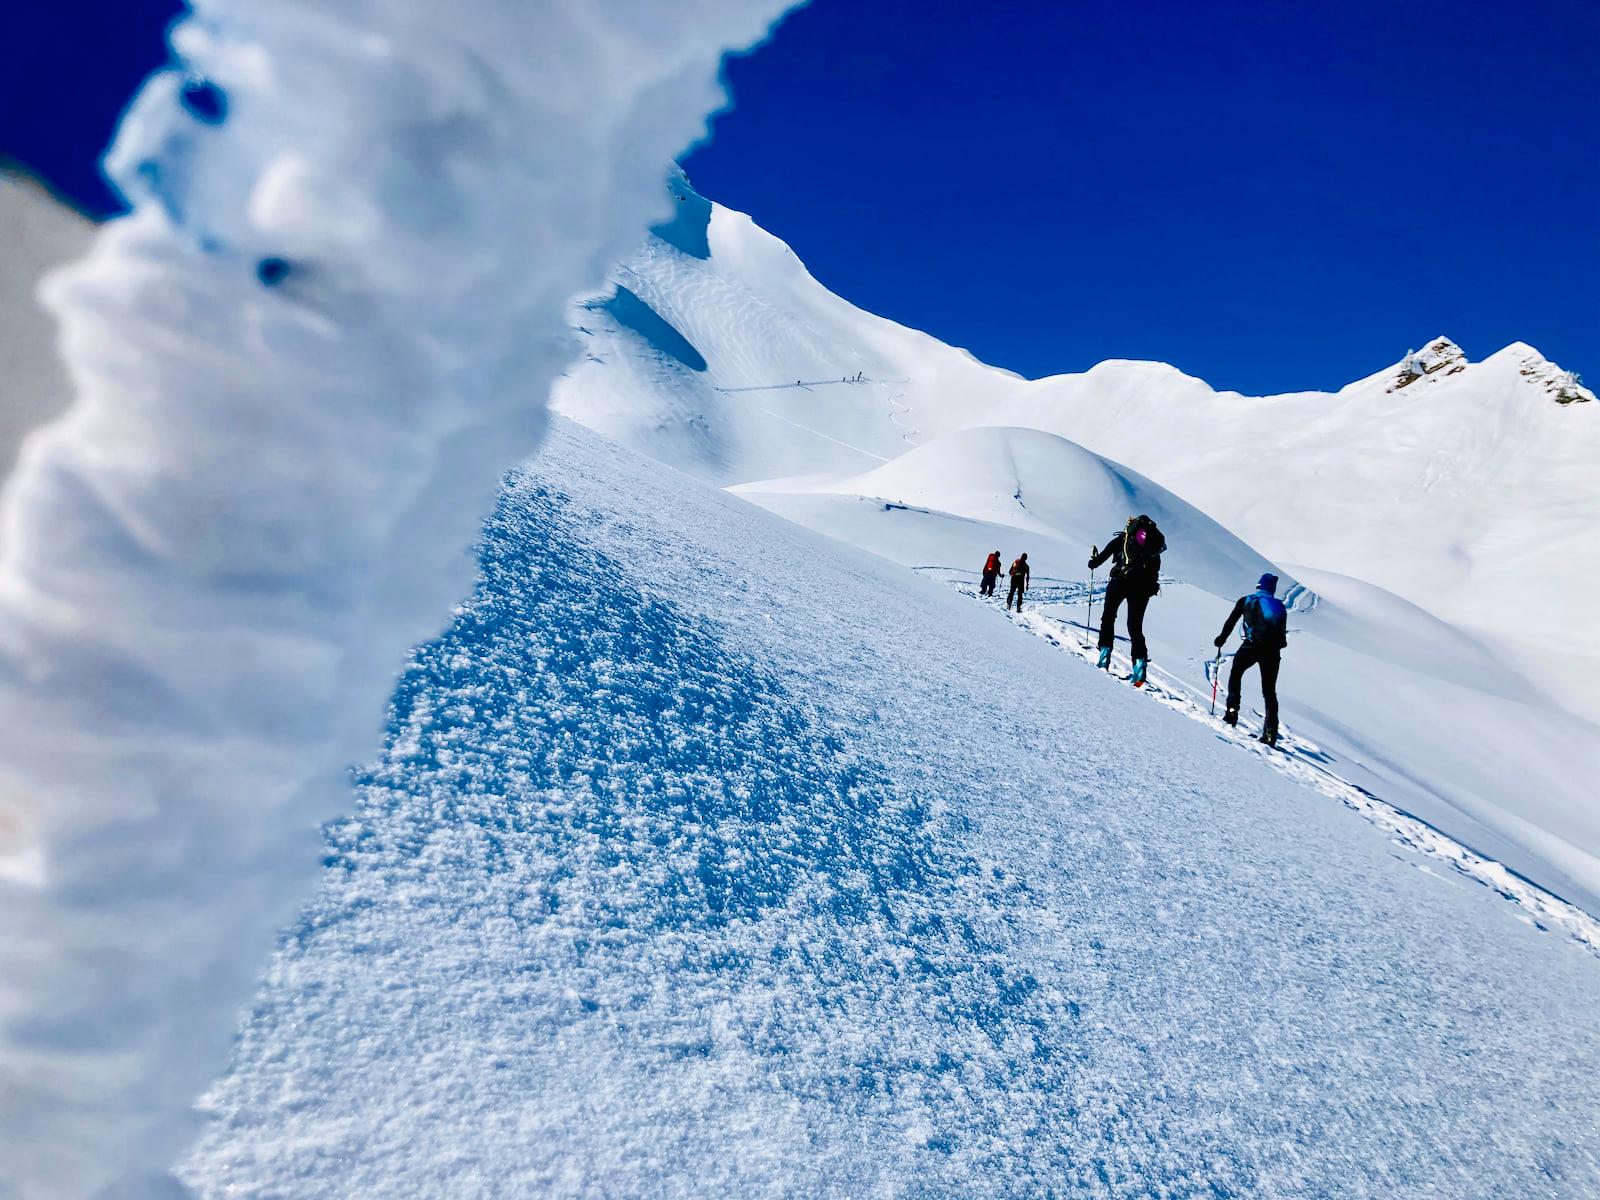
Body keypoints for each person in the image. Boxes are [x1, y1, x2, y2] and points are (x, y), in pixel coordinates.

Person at [1088, 515, 1165, 686]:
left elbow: (1099, 561)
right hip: (1142, 588)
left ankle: (1104, 656)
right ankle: (1139, 666)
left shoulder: (1121, 540)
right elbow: (1155, 568)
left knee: (1108, 618)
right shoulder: (1152, 546)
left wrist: (1092, 562)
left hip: (1119, 582)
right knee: (1135, 627)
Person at [1214, 572, 1289, 746]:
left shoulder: (1246, 600)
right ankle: (1270, 732)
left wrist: (1221, 639)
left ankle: (1231, 712)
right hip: (1272, 652)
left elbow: (1231, 621)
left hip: (1251, 646)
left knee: (1236, 673)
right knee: (1269, 691)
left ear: (1258, 586)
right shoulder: (1279, 606)